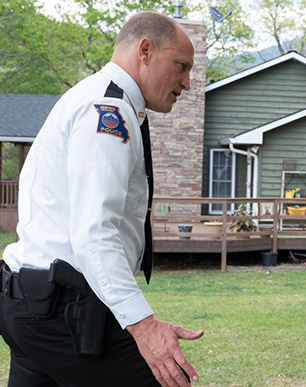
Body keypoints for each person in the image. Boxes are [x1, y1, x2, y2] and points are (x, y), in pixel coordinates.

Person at [0, 12, 204, 387]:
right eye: (181, 66)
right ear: (145, 50)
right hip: (64, 310)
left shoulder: (91, 97)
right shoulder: (107, 112)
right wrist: (143, 326)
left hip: (32, 304)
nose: (187, 83)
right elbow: (95, 233)